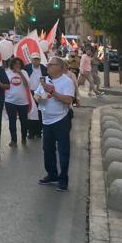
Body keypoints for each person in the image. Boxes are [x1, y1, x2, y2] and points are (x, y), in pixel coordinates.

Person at [35, 56, 75, 191]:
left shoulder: (67, 81)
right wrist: (39, 97)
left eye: (51, 65)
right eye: (48, 65)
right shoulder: (44, 80)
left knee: (63, 150)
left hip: (61, 119)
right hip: (46, 120)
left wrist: (51, 91)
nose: (48, 67)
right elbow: (36, 94)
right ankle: (52, 174)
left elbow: (68, 100)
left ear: (60, 67)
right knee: (47, 150)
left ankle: (63, 179)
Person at [3, 57, 30, 147]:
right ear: (12, 65)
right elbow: (5, 85)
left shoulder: (24, 72)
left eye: (19, 64)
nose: (17, 65)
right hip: (10, 101)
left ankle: (23, 137)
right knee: (12, 121)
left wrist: (20, 74)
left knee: (24, 121)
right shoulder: (7, 73)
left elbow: (26, 85)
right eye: (15, 64)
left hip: (23, 102)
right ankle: (13, 140)